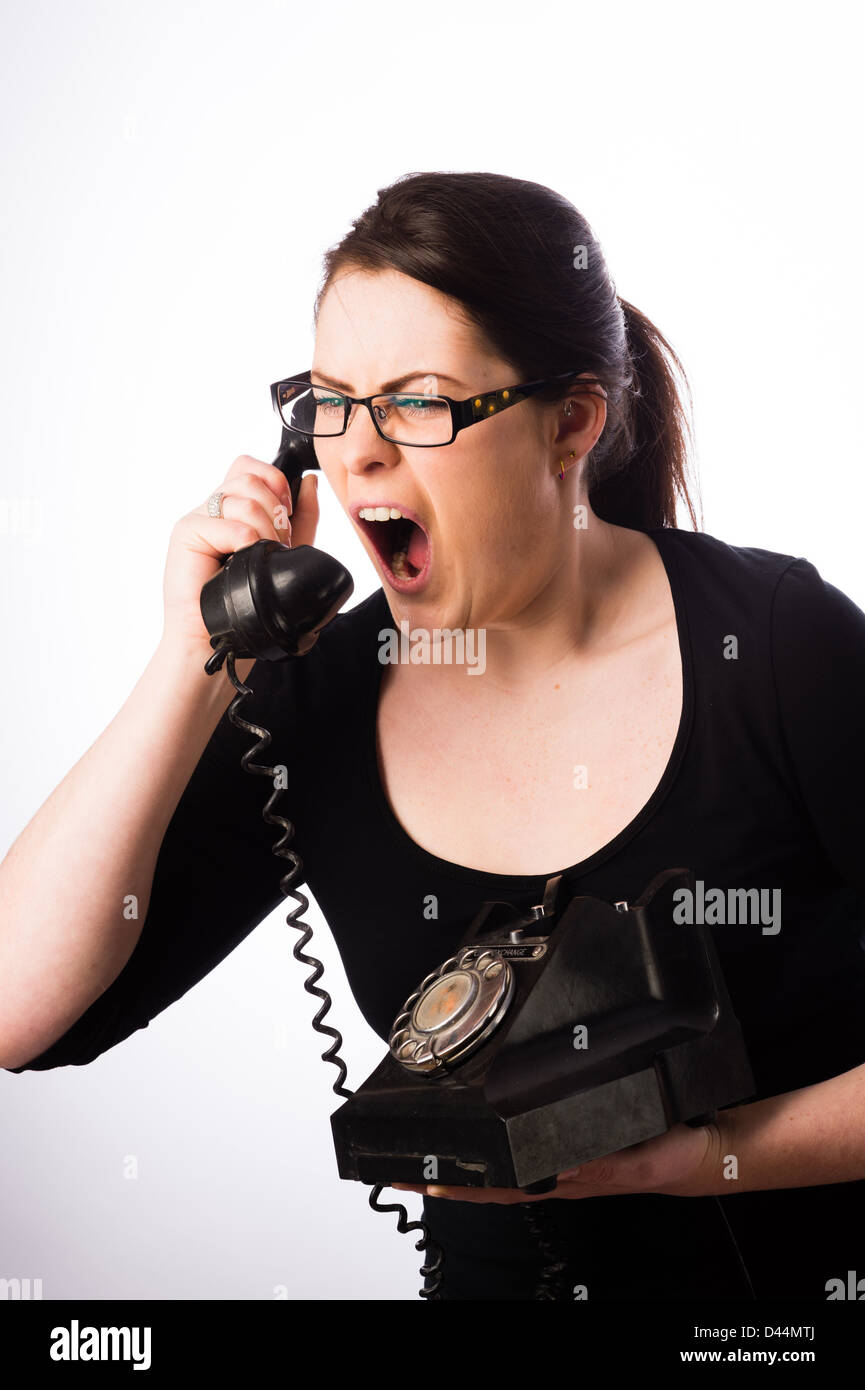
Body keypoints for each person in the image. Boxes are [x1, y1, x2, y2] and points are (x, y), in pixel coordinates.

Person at [2, 170, 864, 1302]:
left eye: (417, 401)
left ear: (571, 425)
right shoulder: (313, 700)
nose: (356, 454)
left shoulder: (775, 643)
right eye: (328, 402)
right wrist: (192, 661)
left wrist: (705, 1159)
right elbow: (19, 1009)